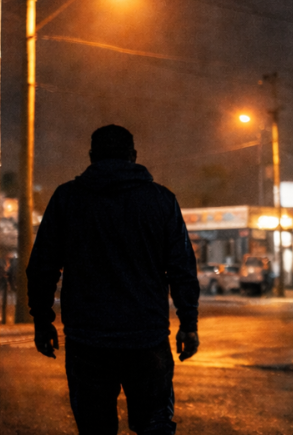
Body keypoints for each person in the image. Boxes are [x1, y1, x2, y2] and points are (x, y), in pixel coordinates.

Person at [26, 125, 200, 435]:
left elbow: (43, 266)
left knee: (95, 428)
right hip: (146, 337)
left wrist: (42, 320)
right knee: (154, 425)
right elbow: (182, 268)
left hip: (87, 339)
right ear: (134, 156)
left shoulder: (67, 199)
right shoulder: (161, 200)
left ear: (91, 156)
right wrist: (188, 323)